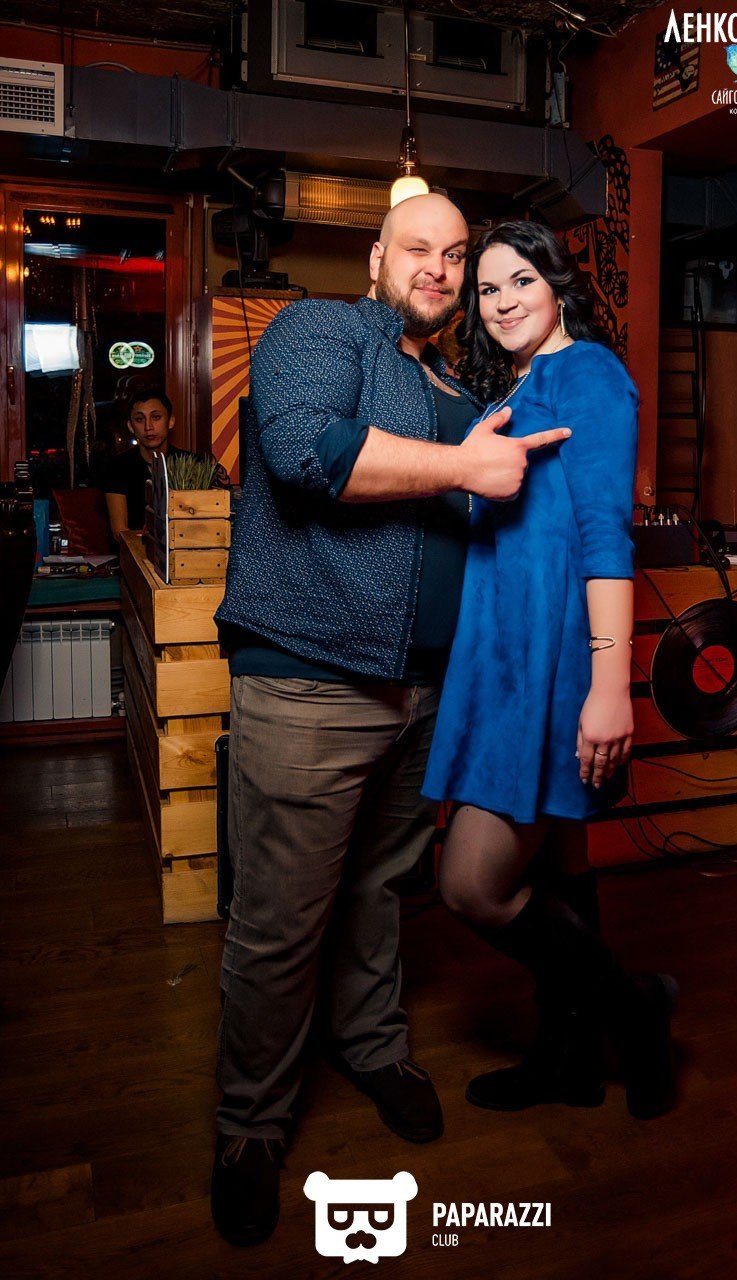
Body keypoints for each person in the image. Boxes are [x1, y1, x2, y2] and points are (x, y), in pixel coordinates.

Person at [210, 193, 570, 1248]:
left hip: (425, 689)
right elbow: (304, 452)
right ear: (376, 257)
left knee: (379, 891)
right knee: (281, 920)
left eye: (456, 255)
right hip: (313, 681)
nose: (440, 269)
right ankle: (249, 1125)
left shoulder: (456, 384)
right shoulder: (320, 331)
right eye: (420, 248)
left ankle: (370, 1045)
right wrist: (463, 466)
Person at [423, 220, 678, 1123]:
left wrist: (609, 687)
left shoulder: (589, 375)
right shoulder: (520, 385)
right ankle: (566, 1055)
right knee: (563, 861)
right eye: (488, 289)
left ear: (559, 285)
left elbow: (606, 536)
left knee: (472, 884)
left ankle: (636, 1009)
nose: (502, 303)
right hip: (500, 653)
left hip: (553, 657)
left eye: (521, 281)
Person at [102, 386, 191, 539]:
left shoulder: (192, 463)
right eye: (139, 419)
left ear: (170, 421)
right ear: (131, 426)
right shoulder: (117, 468)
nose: (148, 427)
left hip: (186, 547)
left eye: (156, 417)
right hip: (135, 549)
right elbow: (119, 531)